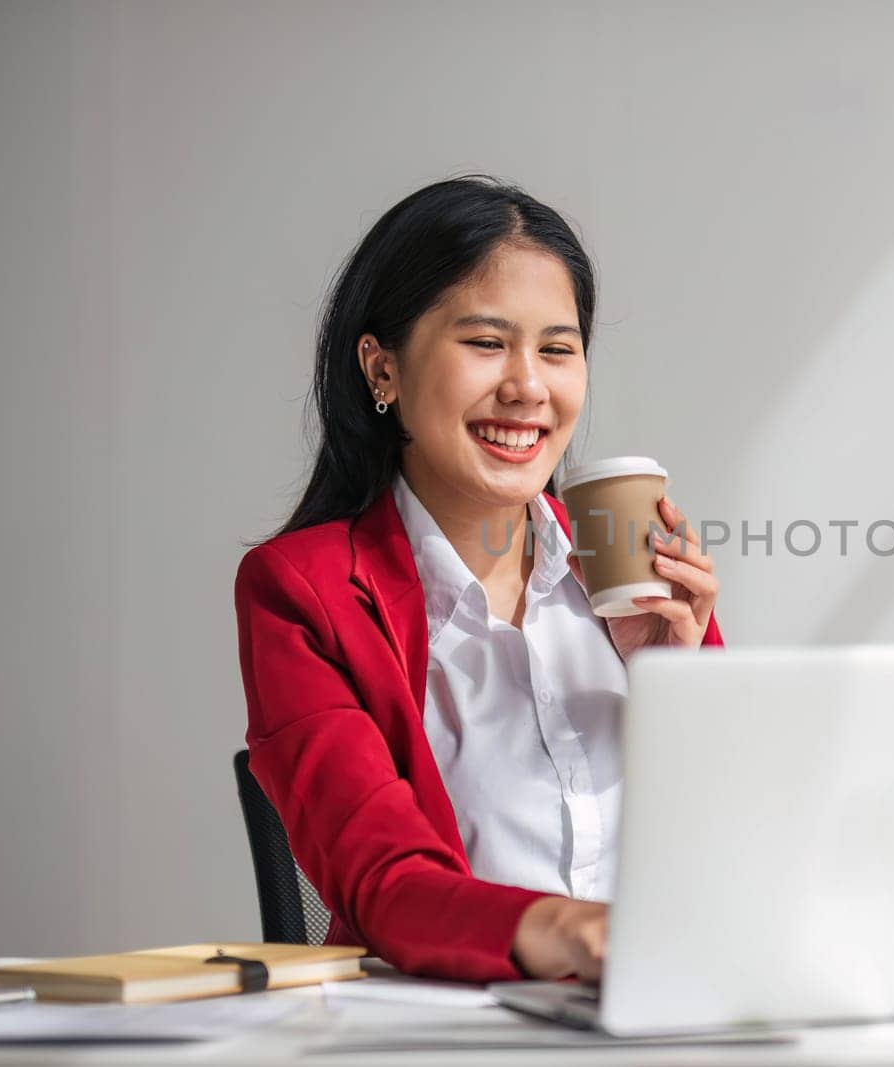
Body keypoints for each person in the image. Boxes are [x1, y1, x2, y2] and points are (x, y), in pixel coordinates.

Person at [233, 176, 723, 984]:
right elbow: (385, 884)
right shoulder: (302, 591)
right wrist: (582, 934)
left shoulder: (623, 566)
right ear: (381, 367)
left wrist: (681, 679)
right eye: (486, 342)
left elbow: (742, 848)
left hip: (659, 1013)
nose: (528, 385)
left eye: (558, 349)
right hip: (456, 1027)